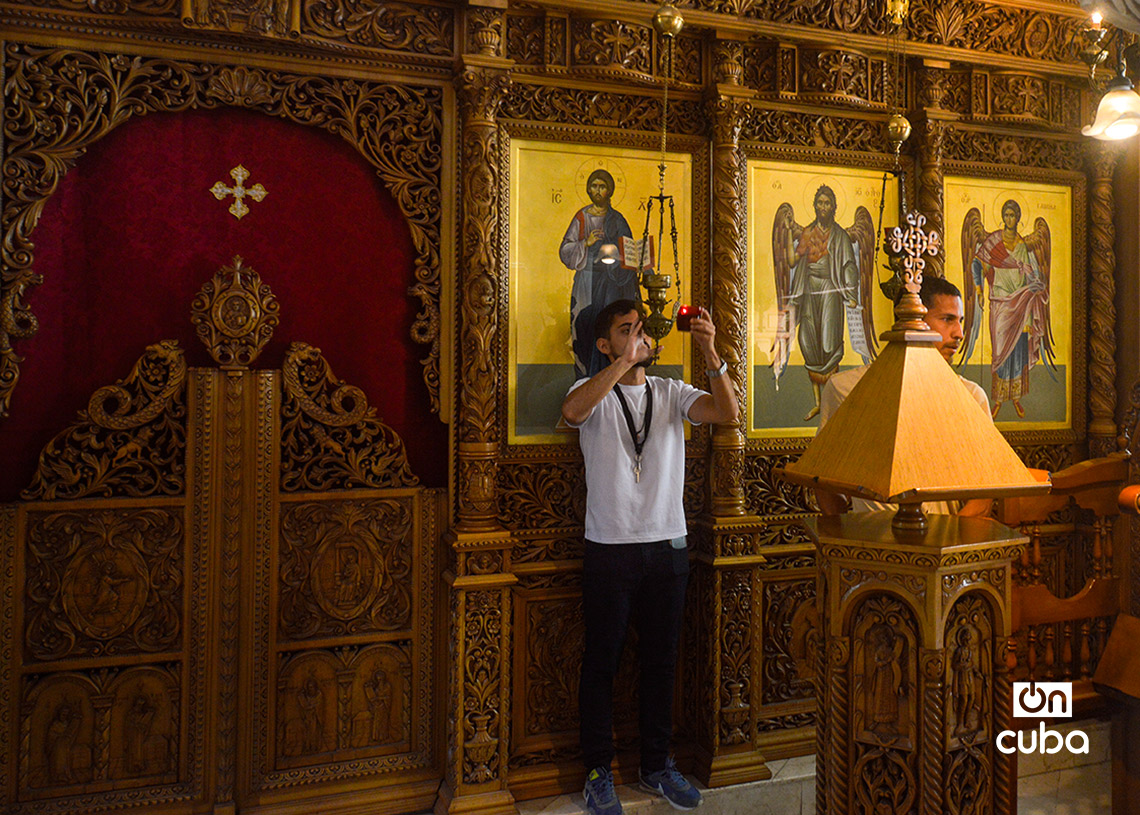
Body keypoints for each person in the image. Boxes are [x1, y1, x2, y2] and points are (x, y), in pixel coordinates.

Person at [561, 298, 739, 815]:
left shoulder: (670, 392)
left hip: (667, 546)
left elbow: (726, 412)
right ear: (604, 344)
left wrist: (709, 350)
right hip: (610, 548)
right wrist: (622, 364)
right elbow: (572, 414)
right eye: (626, 329)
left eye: (642, 328)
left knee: (662, 662)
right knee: (602, 663)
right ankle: (598, 771)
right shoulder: (587, 393)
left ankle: (657, 765)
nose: (640, 336)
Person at [815, 276, 992, 517]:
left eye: (960, 321)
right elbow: (823, 480)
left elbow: (984, 495)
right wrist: (850, 536)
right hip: (871, 545)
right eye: (947, 319)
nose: (959, 333)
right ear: (912, 320)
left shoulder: (971, 396)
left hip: (946, 541)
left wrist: (948, 538)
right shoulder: (846, 388)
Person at [963, 199, 1055, 419]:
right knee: (1001, 352)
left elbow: (1032, 275)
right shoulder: (994, 240)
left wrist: (1035, 280)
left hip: (1021, 304)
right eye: (1006, 215)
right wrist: (978, 289)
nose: (1009, 219)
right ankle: (998, 399)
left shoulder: (1023, 246)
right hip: (1001, 303)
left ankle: (1015, 397)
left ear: (1018, 218)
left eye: (1013, 215)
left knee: (1019, 349)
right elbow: (977, 263)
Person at [777, 184, 861, 420]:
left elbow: (848, 266)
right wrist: (784, 239)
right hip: (808, 290)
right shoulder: (807, 233)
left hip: (830, 291)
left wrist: (851, 295)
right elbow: (794, 261)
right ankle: (817, 403)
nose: (823, 207)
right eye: (820, 203)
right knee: (809, 342)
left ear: (833, 207)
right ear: (815, 206)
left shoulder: (840, 235)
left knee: (828, 342)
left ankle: (832, 402)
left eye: (827, 203)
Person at [560, 169, 636, 378]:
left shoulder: (617, 219)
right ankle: (586, 378)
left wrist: (616, 254)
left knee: (610, 329)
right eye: (594, 186)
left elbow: (629, 253)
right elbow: (566, 250)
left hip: (611, 284)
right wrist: (586, 243)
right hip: (587, 279)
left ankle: (612, 377)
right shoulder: (582, 216)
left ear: (610, 190)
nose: (598, 191)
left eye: (602, 186)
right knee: (584, 326)